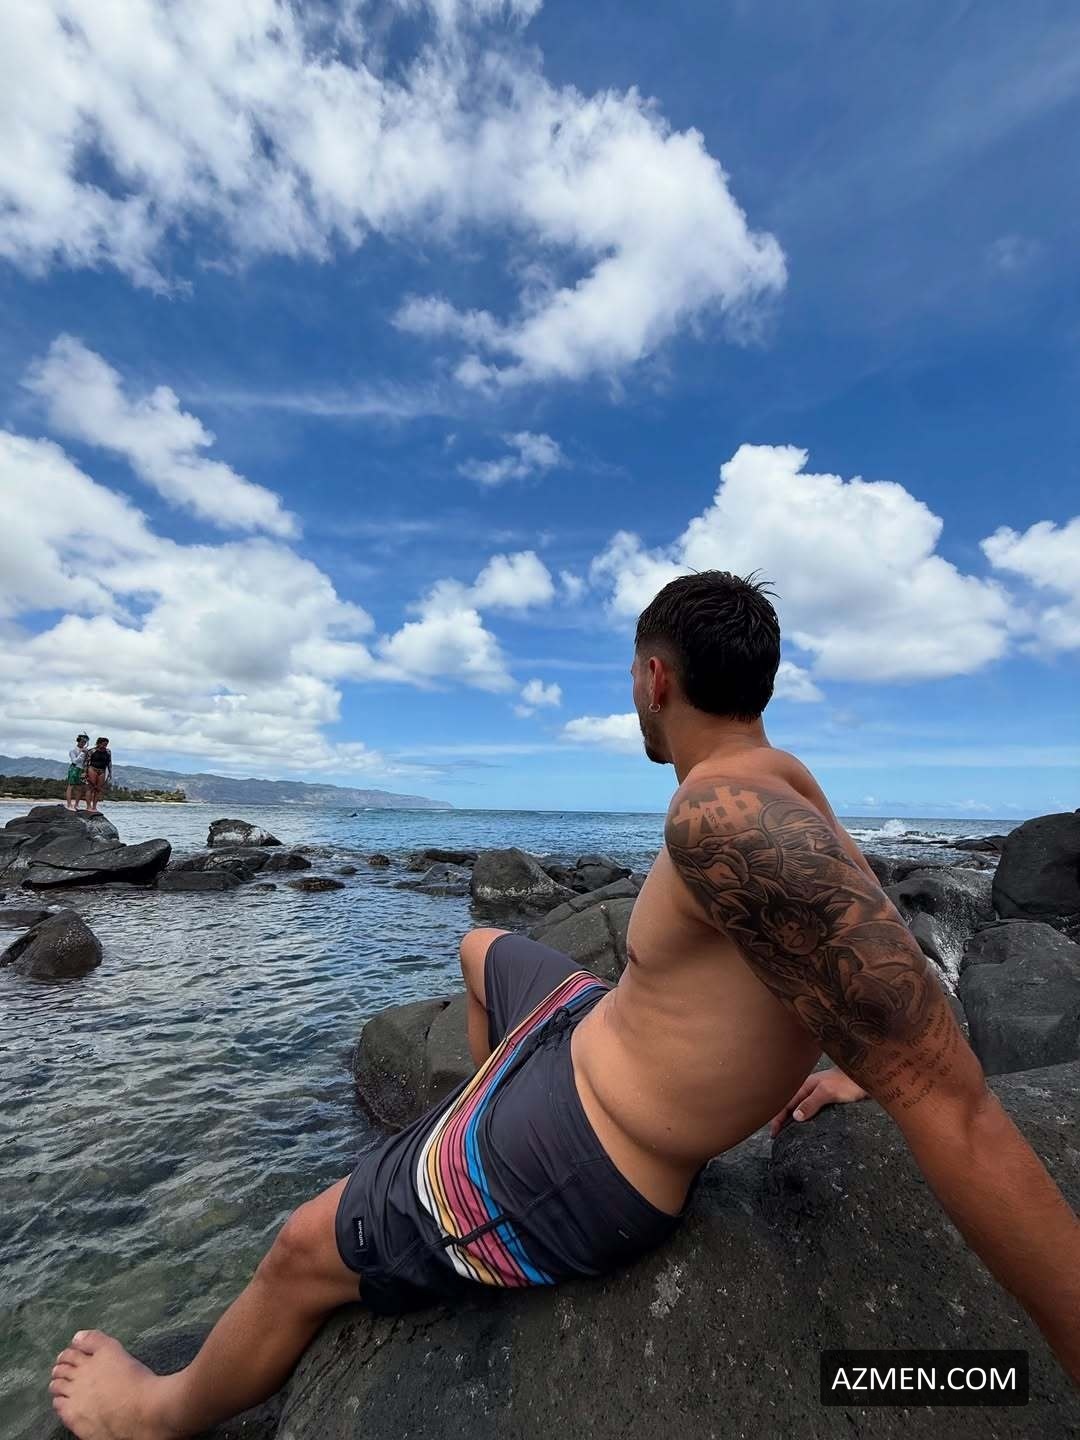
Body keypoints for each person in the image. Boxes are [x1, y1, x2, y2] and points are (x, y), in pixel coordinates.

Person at [48, 572, 1079, 1438]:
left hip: (598, 1151)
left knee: (299, 1250)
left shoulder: (727, 815)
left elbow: (947, 1096)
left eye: (633, 677)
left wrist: (892, 1071)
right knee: (480, 947)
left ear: (654, 678)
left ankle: (159, 1412)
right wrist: (852, 1061)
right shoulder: (785, 783)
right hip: (593, 1029)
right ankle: (465, 1125)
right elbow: (884, 953)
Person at [83, 737, 112, 814]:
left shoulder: (108, 751)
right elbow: (86, 762)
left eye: (106, 745)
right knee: (90, 788)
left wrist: (110, 772)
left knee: (98, 789)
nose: (105, 746)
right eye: (103, 744)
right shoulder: (92, 751)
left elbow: (109, 762)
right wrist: (85, 772)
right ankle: (88, 806)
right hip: (92, 769)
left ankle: (94, 806)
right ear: (99, 743)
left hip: (102, 770)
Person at [65, 734, 89, 811]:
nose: (83, 743)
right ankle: (69, 804)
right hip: (74, 768)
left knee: (79, 787)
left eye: (85, 742)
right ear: (78, 741)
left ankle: (76, 804)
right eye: (82, 741)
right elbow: (74, 761)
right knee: (70, 786)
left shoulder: (86, 751)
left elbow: (87, 761)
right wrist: (82, 753)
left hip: (82, 769)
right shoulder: (73, 750)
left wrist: (85, 770)